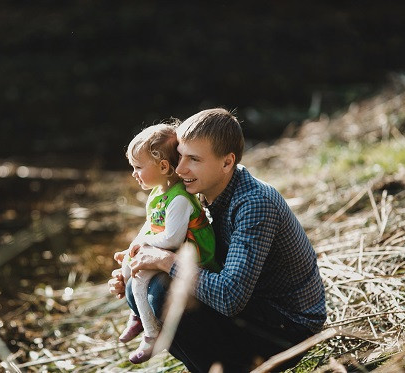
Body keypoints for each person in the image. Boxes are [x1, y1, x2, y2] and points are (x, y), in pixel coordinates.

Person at [109, 108, 327, 372]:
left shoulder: (254, 204)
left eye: (194, 159)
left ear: (227, 162)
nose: (179, 168)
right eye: (179, 156)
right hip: (251, 305)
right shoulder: (199, 190)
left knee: (162, 295)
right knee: (138, 287)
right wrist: (137, 260)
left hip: (288, 326)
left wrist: (165, 260)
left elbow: (229, 297)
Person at [116, 122, 220, 364]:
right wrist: (133, 247)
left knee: (140, 278)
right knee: (128, 266)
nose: (133, 173)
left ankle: (152, 334)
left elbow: (172, 238)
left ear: (163, 166)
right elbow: (150, 225)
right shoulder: (157, 194)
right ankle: (138, 314)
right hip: (170, 249)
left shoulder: (180, 199)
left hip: (191, 252)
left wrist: (145, 245)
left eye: (138, 167)